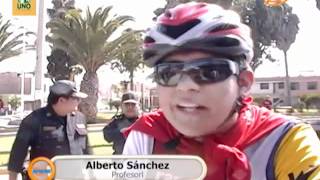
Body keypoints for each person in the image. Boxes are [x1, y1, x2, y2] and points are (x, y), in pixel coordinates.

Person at [122, 2, 320, 180]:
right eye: (169, 73)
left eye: (209, 71)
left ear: (243, 82)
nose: (185, 86)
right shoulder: (147, 137)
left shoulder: (284, 139)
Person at [8, 80, 90, 180]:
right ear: (61, 100)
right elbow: (18, 153)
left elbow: (87, 150)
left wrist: (92, 174)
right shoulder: (34, 120)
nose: (79, 101)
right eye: (76, 98)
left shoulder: (79, 118)